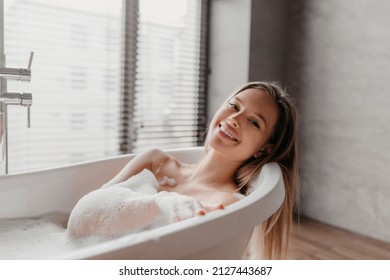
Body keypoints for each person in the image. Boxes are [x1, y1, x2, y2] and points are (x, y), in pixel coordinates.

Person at [67, 81, 299, 259]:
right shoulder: (154, 161)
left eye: (254, 122)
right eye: (233, 106)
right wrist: (161, 203)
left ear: (264, 149)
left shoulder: (226, 202)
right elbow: (79, 222)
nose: (235, 119)